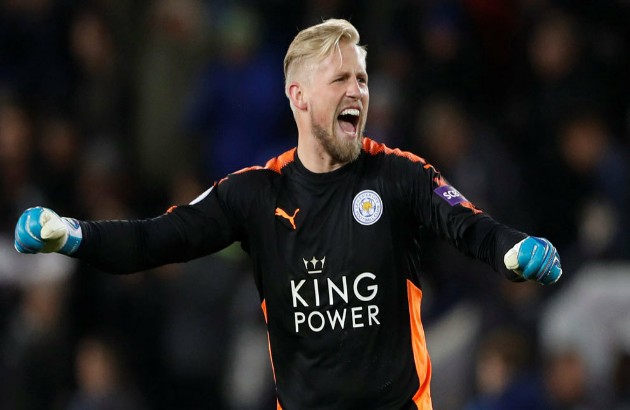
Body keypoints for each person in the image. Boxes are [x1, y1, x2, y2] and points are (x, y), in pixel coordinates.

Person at [13, 18, 562, 410]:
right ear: (299, 96)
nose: (358, 91)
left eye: (362, 79)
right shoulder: (255, 194)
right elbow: (156, 240)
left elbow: (467, 225)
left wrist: (513, 250)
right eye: (341, 79)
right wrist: (72, 235)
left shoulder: (400, 176)